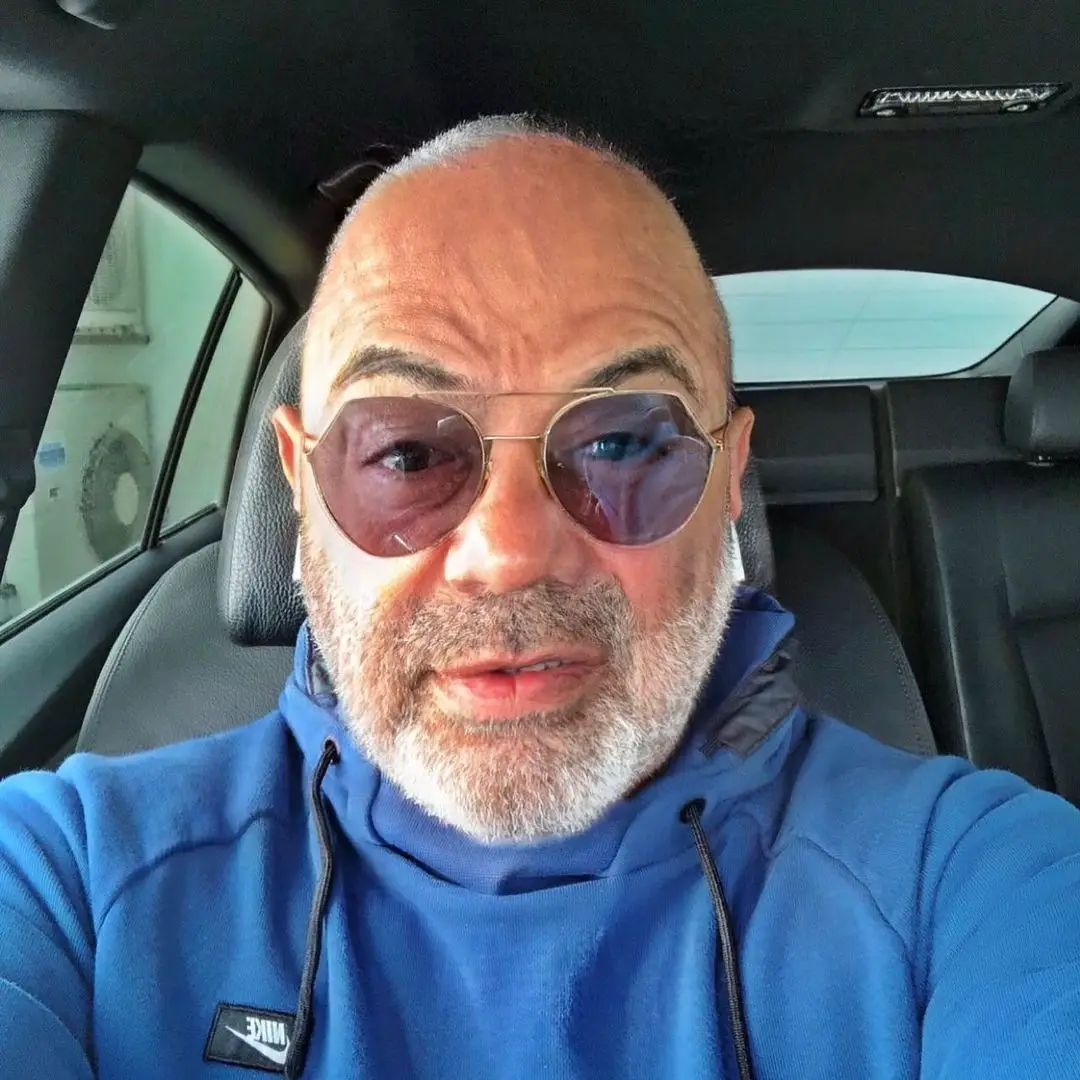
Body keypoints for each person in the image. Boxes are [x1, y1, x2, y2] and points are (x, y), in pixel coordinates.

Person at [1, 115, 1079, 1080]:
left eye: (623, 443)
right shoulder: (69, 883)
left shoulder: (973, 883)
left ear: (728, 480)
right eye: (408, 452)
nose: (509, 554)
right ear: (301, 487)